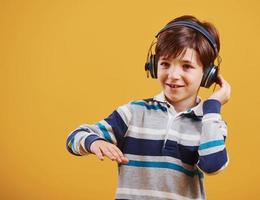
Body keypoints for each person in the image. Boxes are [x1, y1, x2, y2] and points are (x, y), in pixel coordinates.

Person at [66, 15, 231, 200]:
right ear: (153, 66)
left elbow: (213, 165)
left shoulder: (211, 122)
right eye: (165, 64)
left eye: (186, 66)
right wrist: (94, 142)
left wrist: (213, 105)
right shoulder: (134, 113)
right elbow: (74, 138)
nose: (173, 75)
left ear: (208, 74)